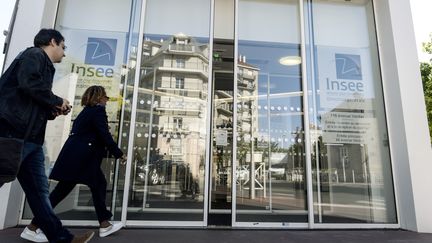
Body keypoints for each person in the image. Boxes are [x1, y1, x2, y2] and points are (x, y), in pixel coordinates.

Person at [0, 29, 94, 242]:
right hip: (13, 135)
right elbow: (29, 83)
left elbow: (30, 98)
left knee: (40, 194)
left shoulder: (41, 62)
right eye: (63, 47)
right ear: (52, 42)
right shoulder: (34, 55)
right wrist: (56, 101)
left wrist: (53, 109)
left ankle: (62, 238)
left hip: (30, 139)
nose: (64, 53)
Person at [24, 85, 127, 240]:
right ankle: (104, 224)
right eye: (105, 96)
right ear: (99, 97)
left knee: (68, 190)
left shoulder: (85, 112)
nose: (107, 100)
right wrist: (119, 154)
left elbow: (92, 137)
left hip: (76, 157)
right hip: (82, 159)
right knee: (95, 185)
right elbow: (104, 135)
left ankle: (33, 226)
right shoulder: (98, 111)